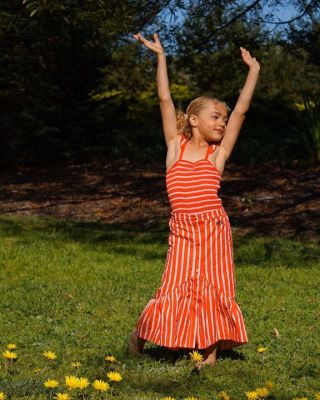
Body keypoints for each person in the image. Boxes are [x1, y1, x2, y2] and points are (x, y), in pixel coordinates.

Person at [128, 32, 260, 370]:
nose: (222, 122)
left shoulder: (219, 155)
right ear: (193, 120)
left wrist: (253, 71)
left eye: (223, 119)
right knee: (174, 284)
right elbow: (163, 99)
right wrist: (160, 57)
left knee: (214, 286)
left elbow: (242, 110)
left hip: (214, 229)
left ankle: (210, 353)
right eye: (215, 117)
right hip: (183, 230)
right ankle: (139, 337)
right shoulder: (175, 147)